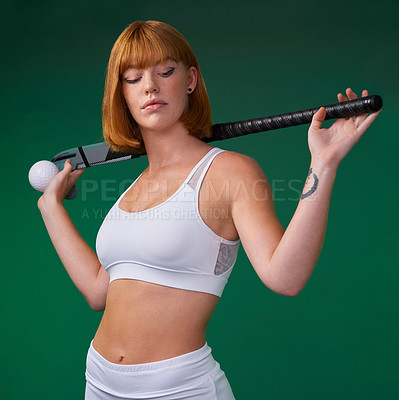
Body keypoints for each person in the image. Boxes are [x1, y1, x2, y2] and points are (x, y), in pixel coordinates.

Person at [37, 20, 381, 400]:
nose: (150, 86)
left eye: (165, 71)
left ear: (190, 80)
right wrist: (51, 209)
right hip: (100, 383)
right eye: (133, 78)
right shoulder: (131, 190)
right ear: (122, 95)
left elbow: (285, 277)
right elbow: (100, 293)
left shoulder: (230, 172)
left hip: (180, 388)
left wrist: (323, 164)